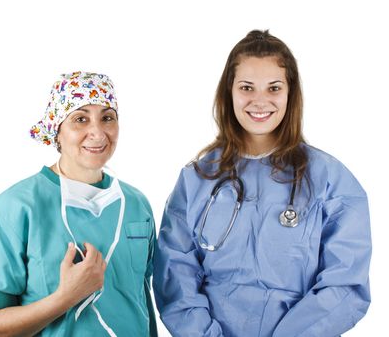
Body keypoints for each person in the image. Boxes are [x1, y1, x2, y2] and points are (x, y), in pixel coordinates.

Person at [153, 30, 371, 336]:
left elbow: (345, 285)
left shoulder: (331, 182)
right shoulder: (196, 179)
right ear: (228, 92)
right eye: (246, 87)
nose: (260, 101)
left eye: (273, 88)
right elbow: (175, 276)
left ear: (290, 93)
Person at [0, 71, 157, 336]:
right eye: (80, 119)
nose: (98, 132)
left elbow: (143, 303)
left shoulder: (137, 205)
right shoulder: (15, 208)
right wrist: (66, 297)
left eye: (107, 118)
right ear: (57, 131)